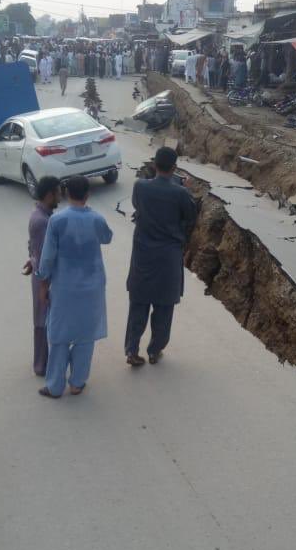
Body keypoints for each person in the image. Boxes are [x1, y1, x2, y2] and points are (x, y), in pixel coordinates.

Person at [36, 175, 113, 398]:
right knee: (85, 336)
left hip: (64, 288)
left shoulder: (57, 221)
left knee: (59, 336)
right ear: (87, 195)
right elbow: (107, 238)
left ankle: (54, 386)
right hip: (92, 288)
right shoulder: (97, 219)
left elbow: (48, 258)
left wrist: (42, 283)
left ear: (67, 194)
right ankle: (77, 383)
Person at [124, 147, 197, 367]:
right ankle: (155, 350)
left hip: (143, 255)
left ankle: (131, 350)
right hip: (168, 257)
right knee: (164, 308)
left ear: (155, 165)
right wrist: (186, 190)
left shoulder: (140, 187)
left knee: (138, 304)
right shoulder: (181, 193)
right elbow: (191, 218)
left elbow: (138, 206)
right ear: (174, 167)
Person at [22, 177, 60, 376]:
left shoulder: (39, 215)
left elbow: (33, 247)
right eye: (58, 192)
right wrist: (45, 285)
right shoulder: (42, 221)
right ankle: (41, 365)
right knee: (43, 320)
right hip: (43, 278)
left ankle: (43, 362)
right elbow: (46, 257)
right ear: (49, 195)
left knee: (44, 319)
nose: (60, 196)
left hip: (39, 273)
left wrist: (31, 259)